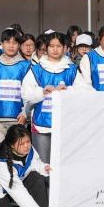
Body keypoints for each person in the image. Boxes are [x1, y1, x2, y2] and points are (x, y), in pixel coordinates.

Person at [19, 32, 78, 164]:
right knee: (43, 164)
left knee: (64, 164)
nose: (55, 49)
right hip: (41, 125)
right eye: (51, 46)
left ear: (64, 48)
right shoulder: (36, 69)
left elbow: (83, 91)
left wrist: (69, 90)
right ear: (46, 47)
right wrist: (42, 92)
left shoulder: (72, 69)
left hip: (65, 125)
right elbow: (26, 94)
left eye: (58, 46)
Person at [0, 28, 32, 144]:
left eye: (15, 42)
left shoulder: (26, 66)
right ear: (2, 44)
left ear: (19, 45)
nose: (11, 46)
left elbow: (29, 92)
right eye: (8, 42)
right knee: (0, 151)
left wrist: (25, 112)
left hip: (19, 119)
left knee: (18, 150)